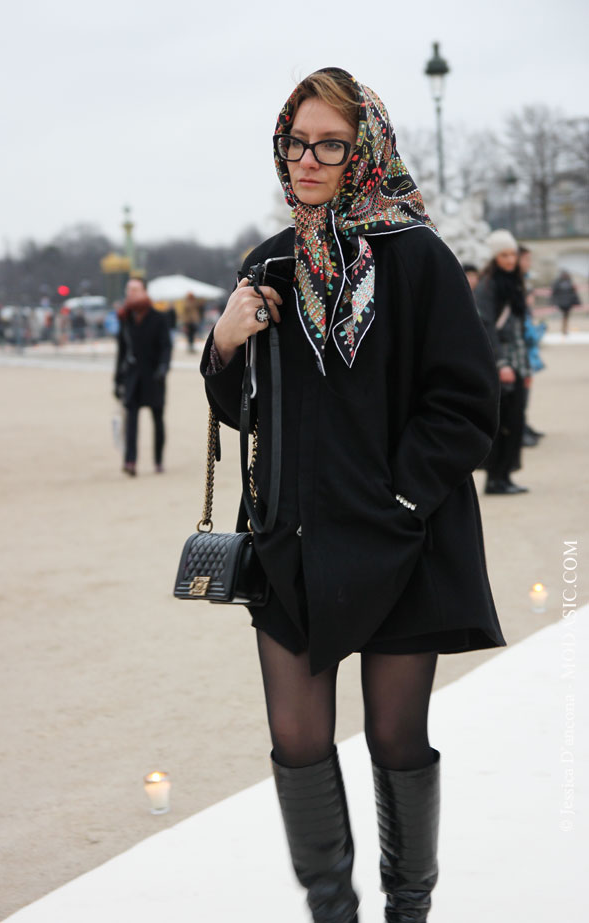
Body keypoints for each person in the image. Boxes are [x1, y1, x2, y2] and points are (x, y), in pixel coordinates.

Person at [201, 68, 506, 922]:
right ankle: (331, 911)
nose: (306, 159)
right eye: (295, 141)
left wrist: (402, 499)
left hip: (405, 540)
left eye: (329, 143)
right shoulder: (270, 263)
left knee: (394, 738)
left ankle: (409, 909)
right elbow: (240, 413)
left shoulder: (419, 258)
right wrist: (225, 342)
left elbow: (466, 403)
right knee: (297, 740)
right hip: (292, 538)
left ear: (363, 147)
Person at [474, 229, 531, 495]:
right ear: (495, 256)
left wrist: (525, 366)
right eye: (504, 254)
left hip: (517, 362)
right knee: (503, 422)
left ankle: (505, 475)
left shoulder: (514, 283)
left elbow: (518, 329)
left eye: (513, 254)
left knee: (516, 421)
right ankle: (496, 478)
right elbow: (486, 326)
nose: (510, 259)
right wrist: (502, 363)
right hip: (501, 364)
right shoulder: (489, 285)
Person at [114, 277, 171, 475]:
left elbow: (166, 346)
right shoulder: (125, 318)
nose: (131, 293)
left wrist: (163, 367)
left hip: (154, 375)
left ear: (145, 292)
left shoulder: (158, 317)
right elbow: (121, 351)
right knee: (131, 420)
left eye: (135, 289)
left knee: (158, 419)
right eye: (129, 289)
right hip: (132, 375)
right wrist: (117, 380)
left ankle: (158, 460)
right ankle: (130, 462)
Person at [518, 246, 545, 447]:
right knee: (518, 389)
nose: (528, 263)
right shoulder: (514, 282)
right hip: (518, 344)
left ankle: (522, 424)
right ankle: (518, 427)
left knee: (526, 386)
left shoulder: (525, 281)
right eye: (525, 259)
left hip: (526, 341)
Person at [551, 269, 580, 335]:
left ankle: (564, 330)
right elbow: (555, 292)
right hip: (563, 303)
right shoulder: (560, 282)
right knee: (564, 317)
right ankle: (564, 330)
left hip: (567, 303)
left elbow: (573, 292)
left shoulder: (567, 282)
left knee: (565, 316)